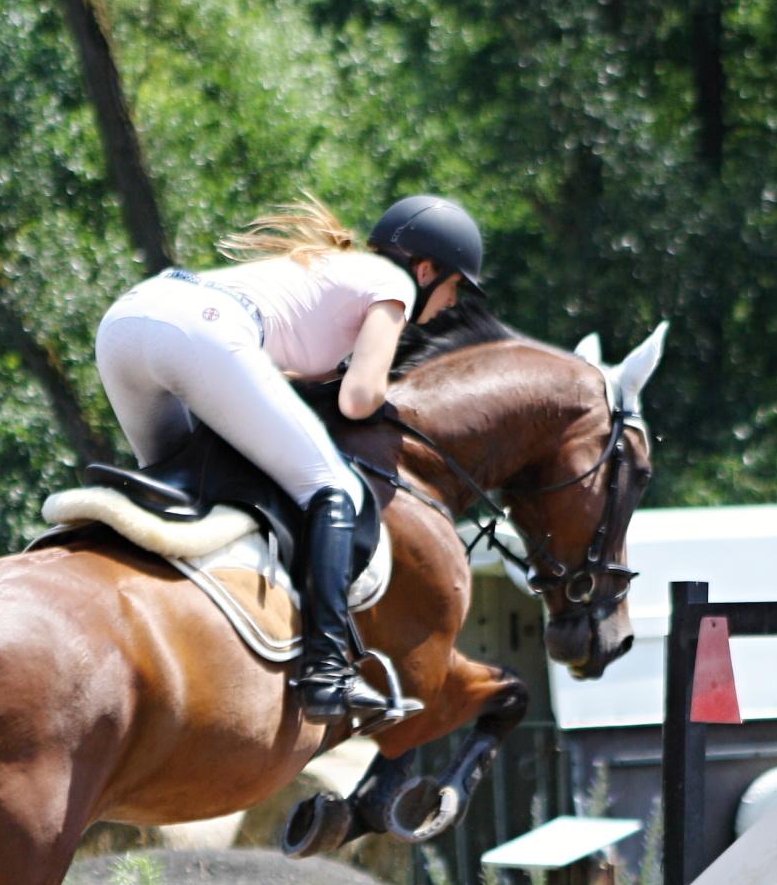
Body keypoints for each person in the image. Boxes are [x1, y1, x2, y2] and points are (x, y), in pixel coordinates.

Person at [92, 193, 486, 721]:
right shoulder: (392, 285)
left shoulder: (333, 271)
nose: (452, 303)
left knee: (178, 497)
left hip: (128, 321)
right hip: (200, 327)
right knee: (334, 489)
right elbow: (358, 399)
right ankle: (327, 674)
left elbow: (285, 378)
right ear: (425, 269)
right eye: (455, 286)